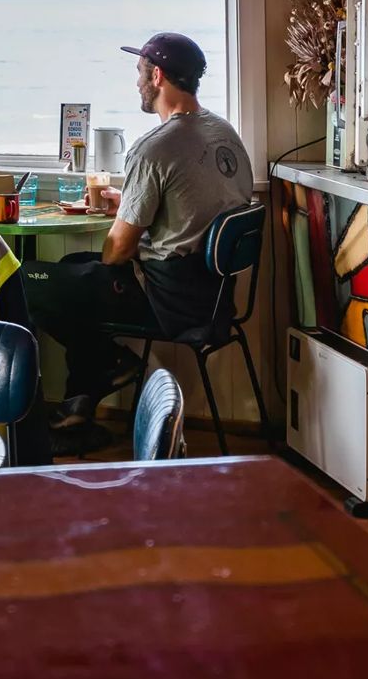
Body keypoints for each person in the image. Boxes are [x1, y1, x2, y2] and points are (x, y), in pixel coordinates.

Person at [22, 33, 253, 434]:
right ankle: (82, 398)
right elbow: (194, 207)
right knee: (72, 266)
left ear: (157, 76)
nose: (136, 83)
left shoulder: (155, 148)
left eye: (139, 73)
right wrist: (131, 204)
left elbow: (116, 252)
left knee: (27, 282)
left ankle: (109, 365)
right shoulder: (223, 133)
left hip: (166, 301)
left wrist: (127, 219)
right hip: (213, 297)